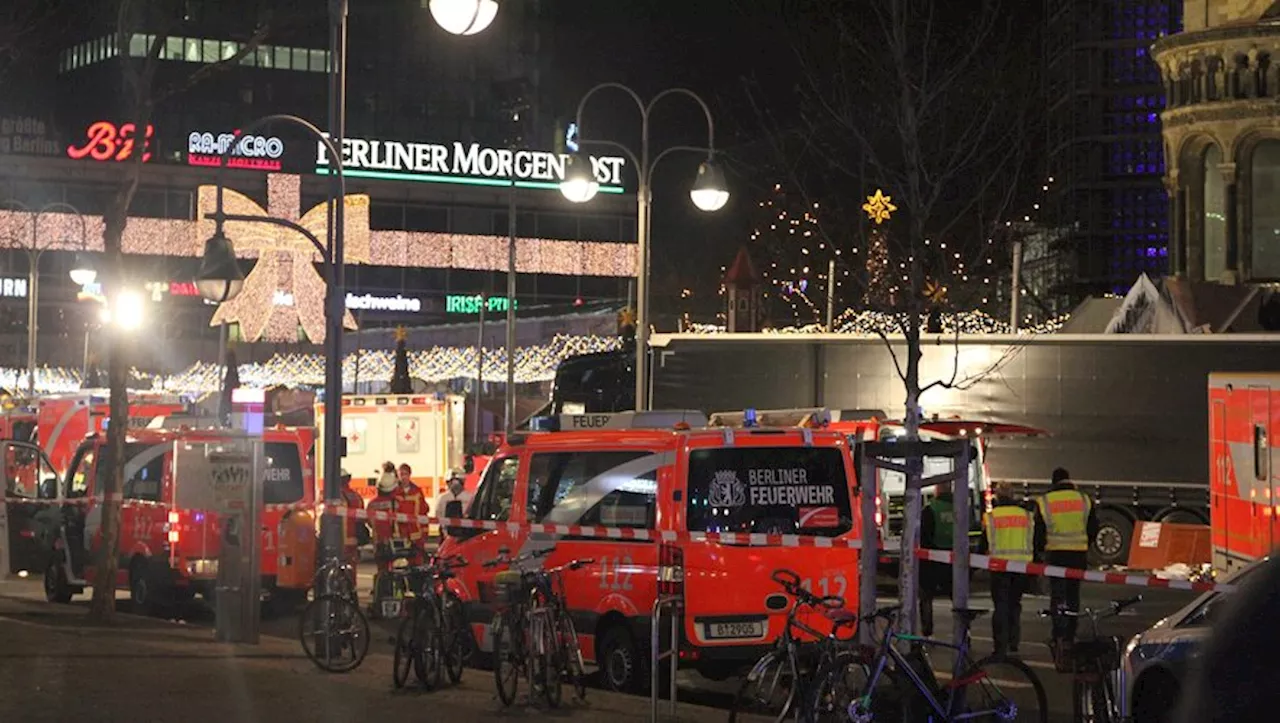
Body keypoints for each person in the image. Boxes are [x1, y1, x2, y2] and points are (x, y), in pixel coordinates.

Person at [1033, 467, 1098, 663]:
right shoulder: (1084, 500)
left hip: (1056, 553)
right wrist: (1085, 543)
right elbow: (1093, 527)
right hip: (1078, 554)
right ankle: (1071, 633)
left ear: (1053, 482)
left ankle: (1058, 633)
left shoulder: (1045, 501)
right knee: (1073, 594)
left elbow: (1039, 531)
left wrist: (1040, 551)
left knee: (1058, 594)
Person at [980, 483, 1037, 657]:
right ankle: (1014, 642)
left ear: (997, 496)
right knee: (1014, 604)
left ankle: (1000, 646)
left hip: (999, 567)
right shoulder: (1026, 516)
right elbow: (1034, 540)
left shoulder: (990, 517)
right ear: (1012, 496)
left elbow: (984, 544)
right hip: (1021, 567)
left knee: (1001, 606)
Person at [918, 481, 956, 637]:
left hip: (932, 561)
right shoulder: (959, 507)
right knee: (957, 597)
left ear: (938, 490)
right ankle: (963, 632)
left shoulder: (930, 509)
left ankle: (927, 632)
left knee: (926, 596)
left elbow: (924, 536)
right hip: (953, 559)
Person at [367, 462, 406, 580]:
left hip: (379, 543)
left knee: (381, 570)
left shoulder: (372, 504)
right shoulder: (399, 502)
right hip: (396, 542)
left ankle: (381, 589)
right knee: (398, 571)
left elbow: (369, 522)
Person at [338, 469, 366, 585]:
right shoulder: (356, 496)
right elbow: (362, 518)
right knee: (351, 568)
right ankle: (352, 591)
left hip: (338, 540)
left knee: (338, 569)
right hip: (353, 540)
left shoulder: (334, 498)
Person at [396, 462, 428, 560]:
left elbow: (423, 511)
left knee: (416, 561)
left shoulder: (417, 492)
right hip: (399, 534)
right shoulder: (394, 492)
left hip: (416, 534)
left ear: (410, 475)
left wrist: (425, 532)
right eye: (401, 474)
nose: (403, 477)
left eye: (405, 474)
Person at [435, 468, 471, 535]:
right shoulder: (443, 498)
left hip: (465, 534)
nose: (453, 485)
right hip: (446, 534)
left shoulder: (470, 498)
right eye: (450, 482)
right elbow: (438, 514)